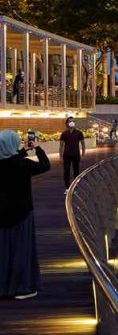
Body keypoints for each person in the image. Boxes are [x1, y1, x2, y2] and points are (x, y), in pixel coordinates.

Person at [0, 129, 50, 299]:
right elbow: (45, 165)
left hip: (2, 215)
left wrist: (23, 151)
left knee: (3, 251)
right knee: (21, 250)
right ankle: (22, 287)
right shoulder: (22, 165)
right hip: (22, 214)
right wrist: (37, 148)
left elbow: (9, 160)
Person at [58, 117, 86, 189]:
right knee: (66, 172)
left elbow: (83, 144)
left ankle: (75, 188)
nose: (72, 123)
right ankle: (67, 188)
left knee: (76, 172)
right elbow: (61, 146)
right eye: (70, 121)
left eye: (73, 121)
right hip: (66, 155)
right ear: (67, 123)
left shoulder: (79, 133)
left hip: (76, 155)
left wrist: (83, 155)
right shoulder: (64, 134)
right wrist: (60, 157)